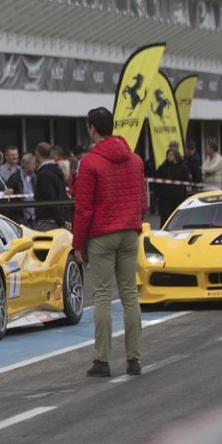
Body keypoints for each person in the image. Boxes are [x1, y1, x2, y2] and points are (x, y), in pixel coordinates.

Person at [73, 108, 147, 378]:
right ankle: (134, 359)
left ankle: (102, 360)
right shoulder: (135, 160)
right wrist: (135, 222)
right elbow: (142, 200)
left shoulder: (90, 163)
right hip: (129, 232)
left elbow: (84, 209)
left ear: (92, 128)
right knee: (130, 295)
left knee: (103, 295)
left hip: (102, 234)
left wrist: (78, 244)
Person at [33, 142, 71, 229]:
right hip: (60, 221)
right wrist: (66, 219)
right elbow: (64, 196)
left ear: (37, 153)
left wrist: (61, 221)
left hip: (47, 222)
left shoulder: (43, 174)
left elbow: (50, 199)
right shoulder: (58, 171)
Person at [153, 148, 192, 225]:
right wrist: (157, 196)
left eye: (171, 155)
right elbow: (157, 182)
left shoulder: (183, 167)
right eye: (168, 155)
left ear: (176, 156)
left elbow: (188, 181)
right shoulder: (163, 167)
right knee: (165, 219)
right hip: (165, 199)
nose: (169, 156)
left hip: (179, 198)